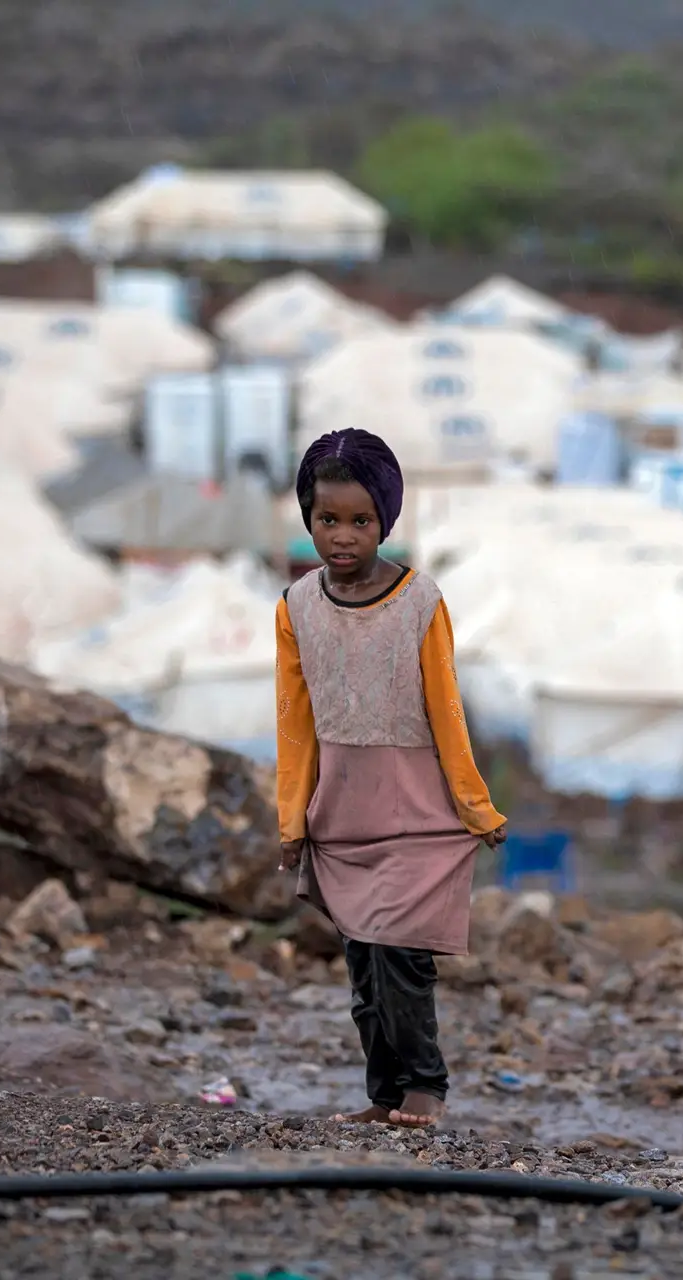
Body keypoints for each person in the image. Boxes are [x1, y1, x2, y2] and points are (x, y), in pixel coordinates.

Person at [275, 428, 508, 1130]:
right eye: (327, 520)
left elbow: (446, 706)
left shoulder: (419, 602)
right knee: (364, 969)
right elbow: (293, 723)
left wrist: (475, 805)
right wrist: (292, 821)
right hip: (342, 812)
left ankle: (424, 1091)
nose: (342, 537)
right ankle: (383, 1094)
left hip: (415, 807)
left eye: (360, 521)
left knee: (402, 955)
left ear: (387, 521)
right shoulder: (296, 607)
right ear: (308, 518)